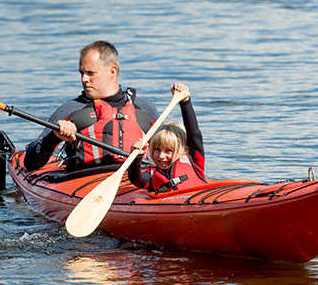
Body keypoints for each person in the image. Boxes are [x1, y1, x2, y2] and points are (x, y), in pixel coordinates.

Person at [23, 40, 160, 172]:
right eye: (82, 73)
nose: (84, 79)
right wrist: (54, 136)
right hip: (82, 180)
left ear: (112, 72)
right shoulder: (71, 109)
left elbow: (174, 153)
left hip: (135, 180)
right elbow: (30, 163)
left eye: (90, 73)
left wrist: (183, 104)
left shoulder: (145, 109)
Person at [127, 82, 206, 194]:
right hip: (173, 206)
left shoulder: (194, 161)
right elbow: (136, 180)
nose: (161, 156)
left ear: (181, 150)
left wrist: (185, 102)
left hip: (199, 202)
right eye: (157, 150)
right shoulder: (151, 174)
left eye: (168, 151)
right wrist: (137, 156)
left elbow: (194, 134)